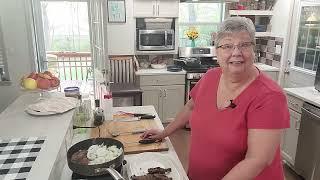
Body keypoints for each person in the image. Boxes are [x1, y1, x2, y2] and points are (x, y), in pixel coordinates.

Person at [141, 16, 290, 180]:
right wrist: (164, 132)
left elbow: (257, 160)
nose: (236, 52)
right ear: (217, 51)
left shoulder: (269, 96)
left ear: (253, 49)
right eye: (227, 46)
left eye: (244, 45)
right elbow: (191, 107)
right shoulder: (211, 76)